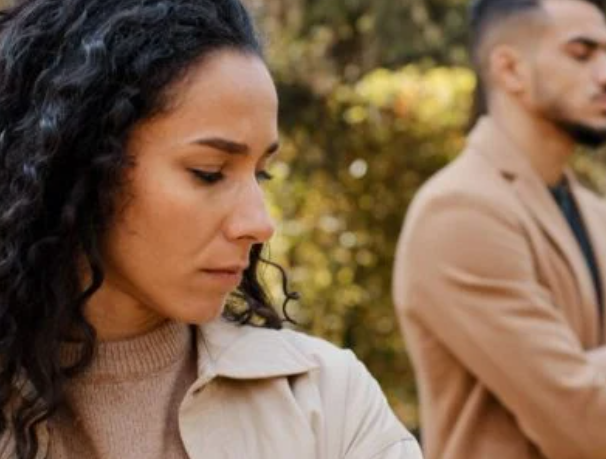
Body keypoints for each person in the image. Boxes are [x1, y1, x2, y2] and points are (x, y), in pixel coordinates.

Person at [0, 0, 423, 458]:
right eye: (209, 172)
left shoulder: (328, 404)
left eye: (260, 174)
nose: (260, 224)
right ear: (80, 164)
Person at [392, 0, 606, 458]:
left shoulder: (593, 210)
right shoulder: (458, 211)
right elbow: (586, 421)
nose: (604, 74)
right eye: (581, 53)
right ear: (510, 69)